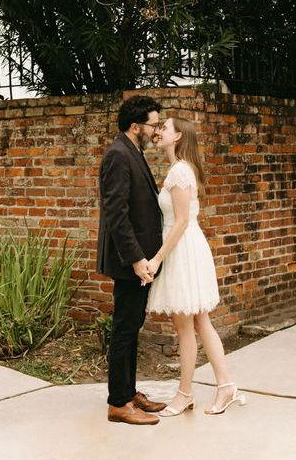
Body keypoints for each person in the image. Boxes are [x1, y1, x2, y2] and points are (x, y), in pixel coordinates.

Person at [146, 115, 246, 416]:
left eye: (165, 127)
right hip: (187, 247)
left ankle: (185, 394)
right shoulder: (181, 169)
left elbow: (179, 223)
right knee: (200, 322)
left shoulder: (179, 171)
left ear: (178, 137)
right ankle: (225, 386)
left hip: (182, 250)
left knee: (186, 327)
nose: (159, 130)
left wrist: (157, 258)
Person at [96, 94, 168, 426]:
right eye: (154, 124)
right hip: (130, 263)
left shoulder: (132, 151)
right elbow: (116, 213)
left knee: (132, 325)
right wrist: (137, 258)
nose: (157, 130)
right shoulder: (117, 155)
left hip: (139, 260)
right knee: (125, 328)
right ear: (135, 126)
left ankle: (129, 391)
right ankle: (118, 403)